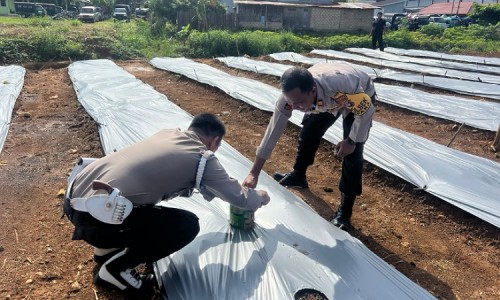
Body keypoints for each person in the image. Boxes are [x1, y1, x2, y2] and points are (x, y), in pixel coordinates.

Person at [63, 113, 270, 296]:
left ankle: (104, 250)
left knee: (137, 203)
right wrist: (259, 197)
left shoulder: (167, 134)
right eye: (218, 146)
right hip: (96, 217)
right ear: (214, 141)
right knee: (186, 225)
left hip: (78, 203)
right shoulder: (202, 158)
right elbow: (238, 197)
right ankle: (116, 270)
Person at [243, 63, 375, 231]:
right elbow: (273, 131)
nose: (295, 107)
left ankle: (345, 212)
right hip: (324, 101)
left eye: (299, 102)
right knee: (308, 133)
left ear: (312, 91)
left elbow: (366, 111)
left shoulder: (345, 88)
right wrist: (253, 172)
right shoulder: (289, 99)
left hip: (354, 99)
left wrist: (351, 141)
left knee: (352, 154)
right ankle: (299, 176)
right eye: (292, 103)